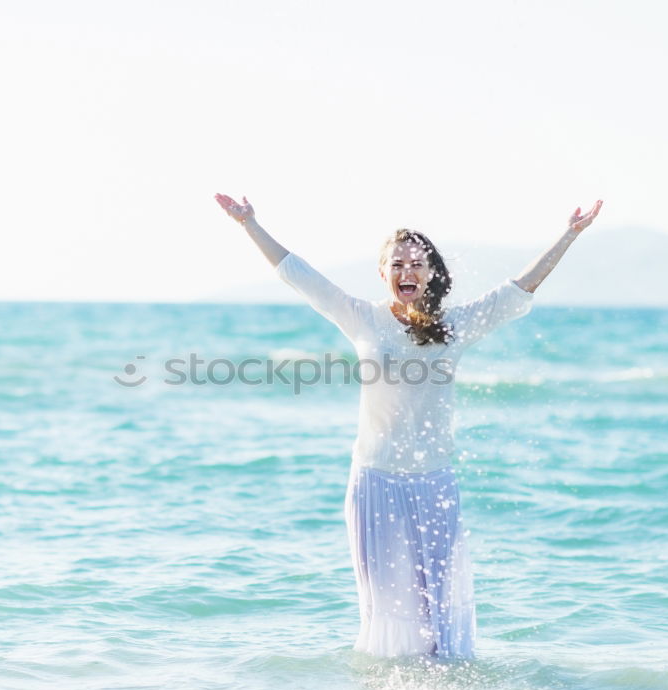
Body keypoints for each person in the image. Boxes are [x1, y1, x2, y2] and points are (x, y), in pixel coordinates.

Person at [214, 192, 603, 659]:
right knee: (383, 607)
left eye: (415, 264)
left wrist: (571, 233)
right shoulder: (361, 317)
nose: (406, 272)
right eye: (396, 265)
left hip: (434, 483)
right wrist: (249, 224)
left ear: (431, 274)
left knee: (437, 607)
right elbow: (299, 275)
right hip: (374, 481)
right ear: (383, 274)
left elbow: (519, 289)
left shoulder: (456, 325)